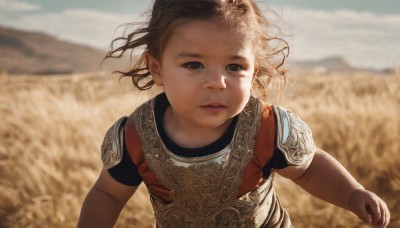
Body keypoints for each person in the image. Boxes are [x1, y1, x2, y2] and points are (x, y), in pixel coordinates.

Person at [77, 0, 390, 227]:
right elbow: (108, 194)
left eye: (235, 67)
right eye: (194, 64)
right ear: (156, 68)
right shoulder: (135, 137)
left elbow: (307, 170)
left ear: (253, 73)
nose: (217, 82)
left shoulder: (267, 128)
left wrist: (352, 194)